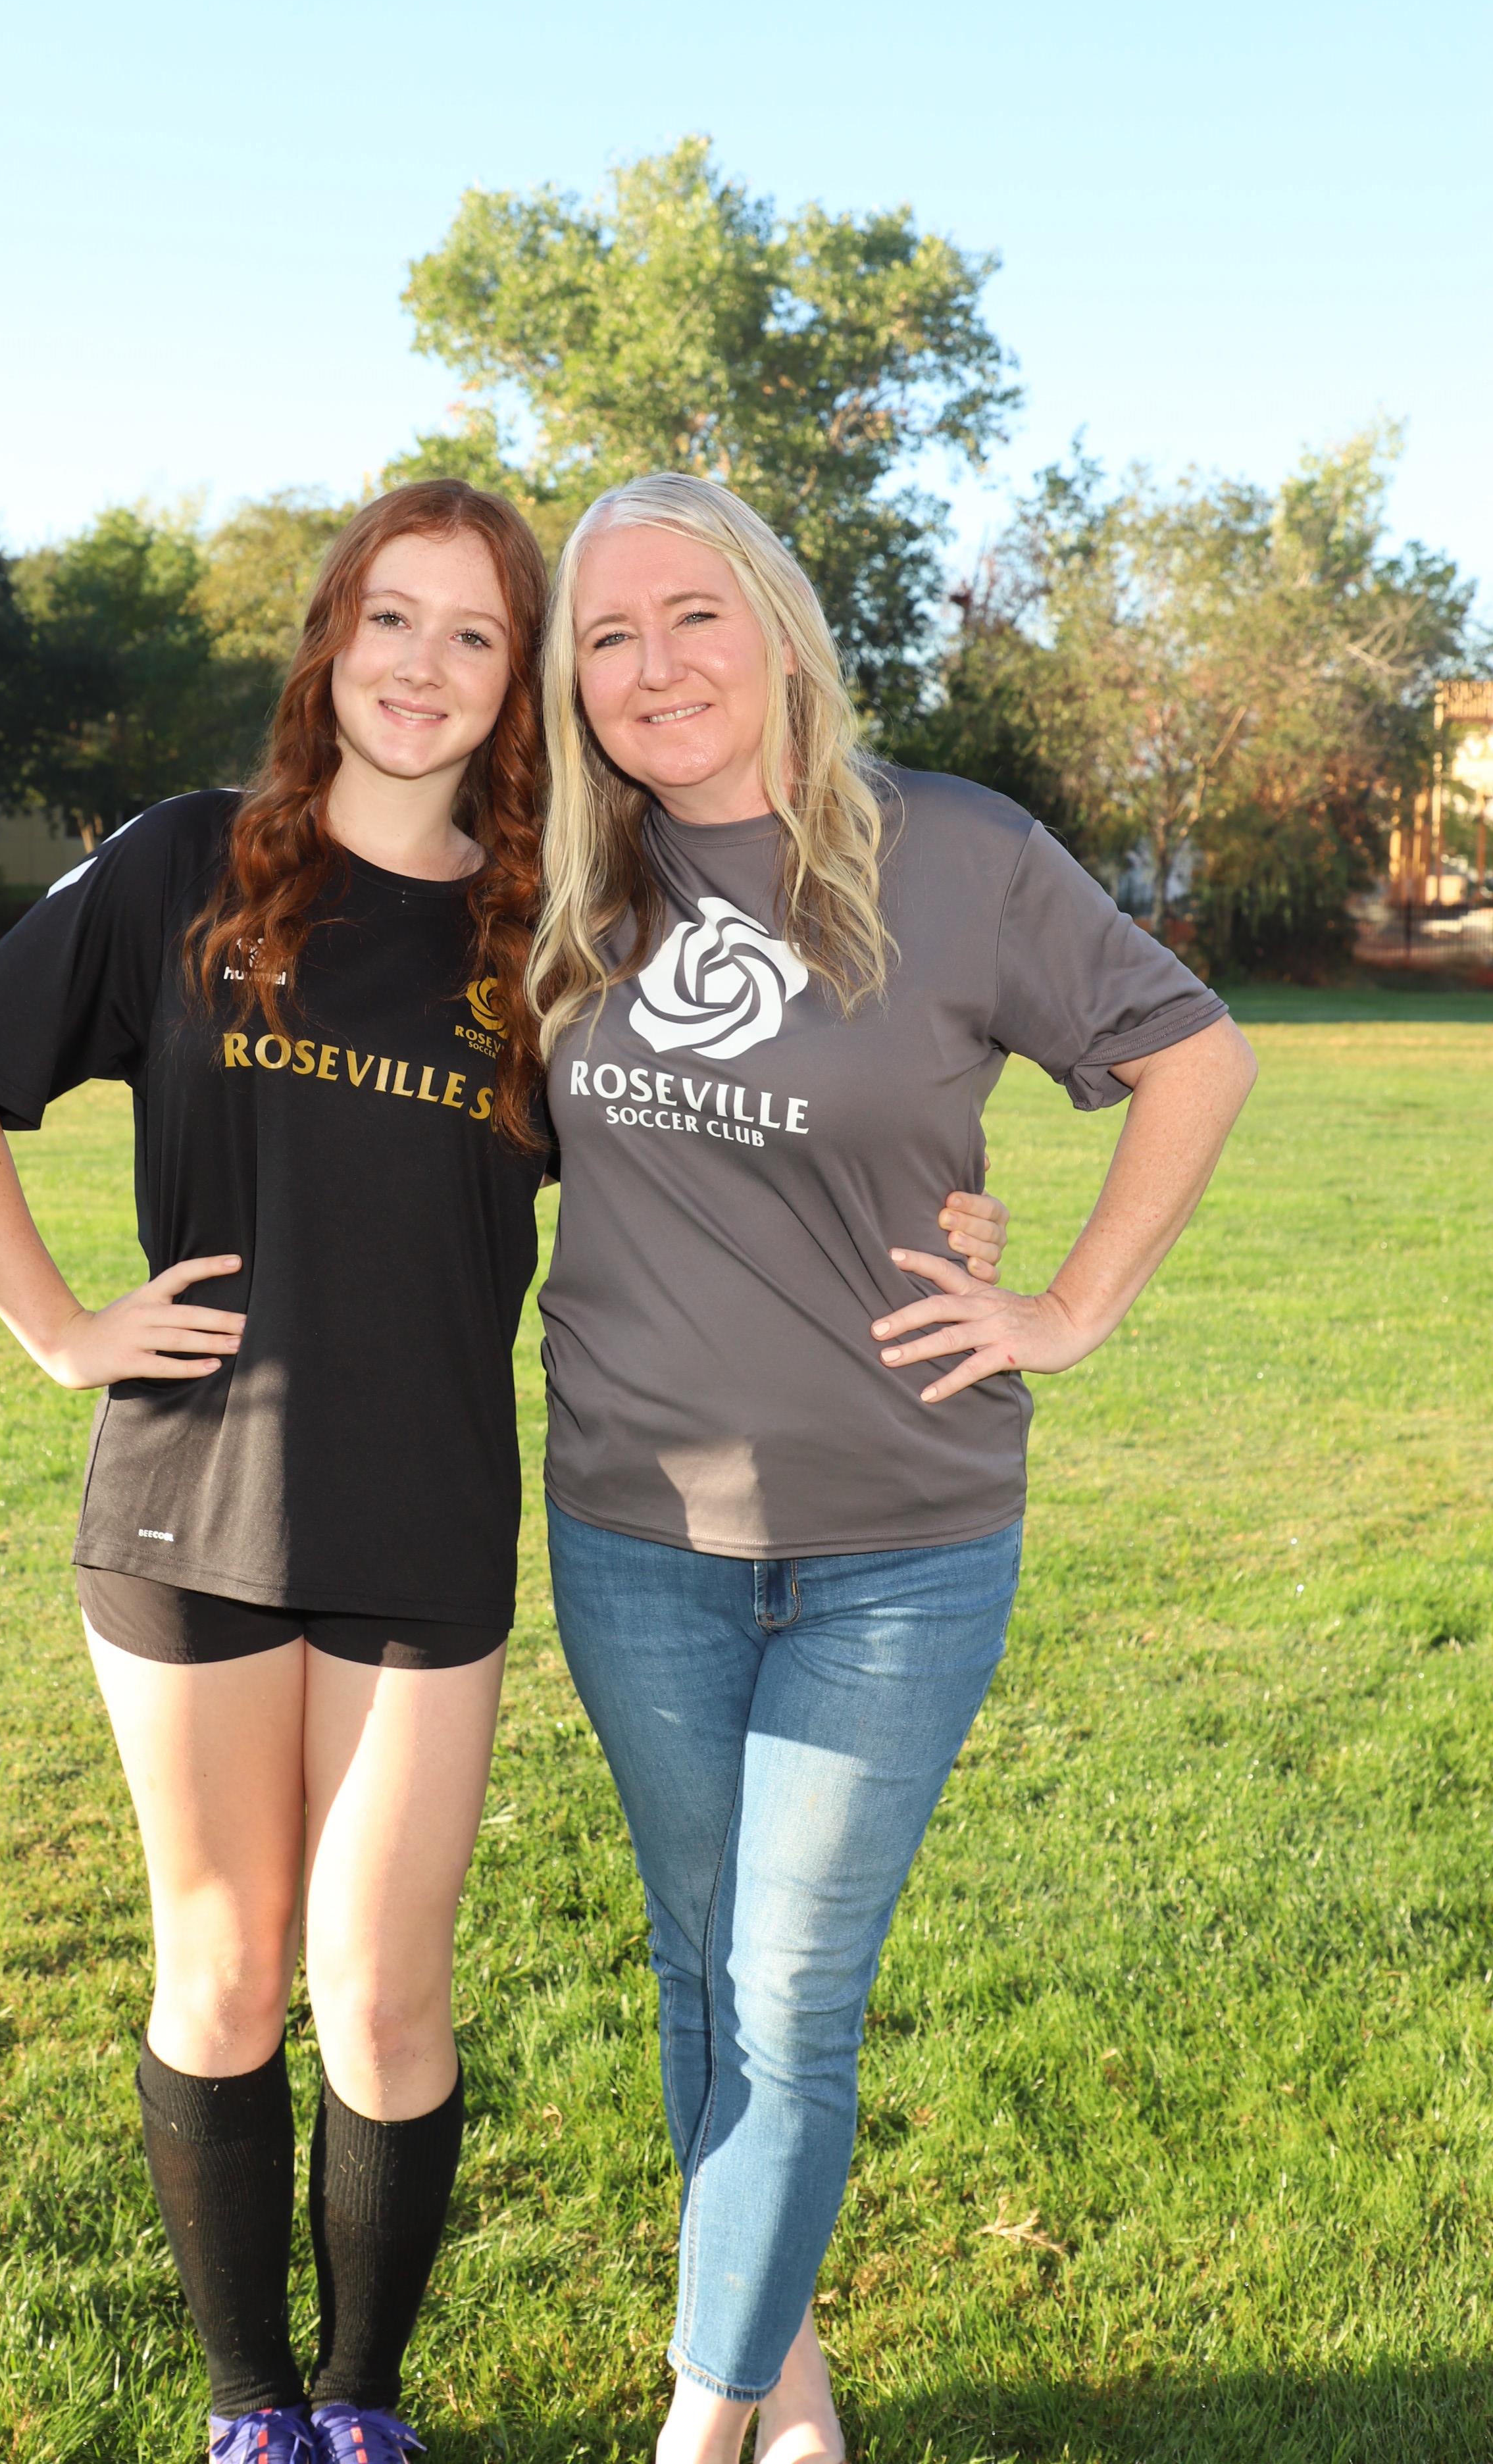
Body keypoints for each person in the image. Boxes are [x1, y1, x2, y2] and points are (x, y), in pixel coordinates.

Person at [526, 472, 1257, 2464]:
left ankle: (698, 2425)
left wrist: (1069, 1304)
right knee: (702, 1974)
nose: (654, 666)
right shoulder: (566, 878)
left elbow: (1194, 1053)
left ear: (779, 631)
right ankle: (790, 2388)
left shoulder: (958, 852)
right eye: (608, 636)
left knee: (788, 1994)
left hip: (899, 1545)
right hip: (634, 1530)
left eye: (693, 615)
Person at [0, 480, 555, 2464]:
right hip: (190, 1505)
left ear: (516, 685)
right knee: (230, 1965)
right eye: (391, 617)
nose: (422, 666)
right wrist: (57, 1328)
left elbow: (723, 1150)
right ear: (332, 636)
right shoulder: (192, 860)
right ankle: (256, 2406)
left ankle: (365, 2404)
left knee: (387, 1992)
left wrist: (934, 1209)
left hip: (428, 1514)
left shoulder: (554, 936)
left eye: (475, 634)